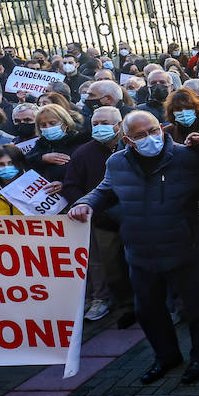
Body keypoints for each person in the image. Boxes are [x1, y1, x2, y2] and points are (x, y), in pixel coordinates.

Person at [69, 110, 199, 384]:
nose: (149, 138)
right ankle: (166, 356)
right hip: (140, 249)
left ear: (161, 127)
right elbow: (105, 190)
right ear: (128, 140)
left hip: (184, 246)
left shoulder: (186, 157)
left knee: (197, 308)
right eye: (140, 136)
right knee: (149, 311)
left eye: (152, 131)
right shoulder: (117, 163)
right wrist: (84, 203)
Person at [62, 105, 134, 323]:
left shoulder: (131, 147)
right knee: (107, 263)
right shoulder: (83, 153)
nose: (99, 127)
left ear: (119, 125)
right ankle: (112, 301)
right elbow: (71, 185)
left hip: (135, 216)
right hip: (102, 220)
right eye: (95, 124)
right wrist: (88, 206)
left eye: (105, 123)